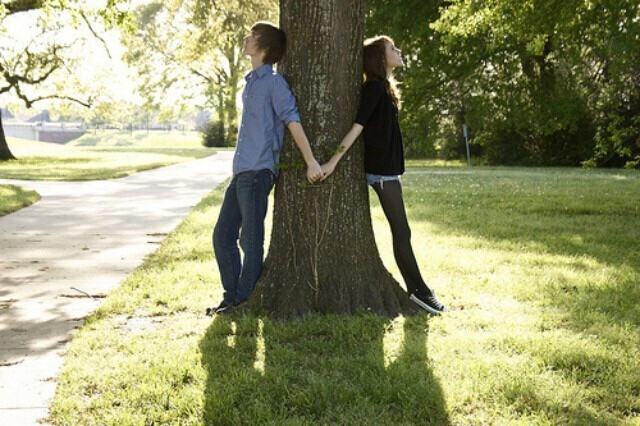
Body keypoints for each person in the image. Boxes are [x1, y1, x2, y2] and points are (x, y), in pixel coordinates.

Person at [320, 35, 447, 314]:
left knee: (402, 231)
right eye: (392, 48)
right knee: (402, 231)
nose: (398, 51)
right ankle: (420, 293)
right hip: (381, 174)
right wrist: (332, 161)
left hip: (388, 172)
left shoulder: (384, 88)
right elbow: (357, 126)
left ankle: (419, 290)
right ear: (379, 58)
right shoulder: (374, 88)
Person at [207, 21, 323, 315]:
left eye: (253, 36)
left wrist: (311, 161)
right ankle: (232, 296)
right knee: (222, 235)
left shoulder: (274, 83)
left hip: (259, 172)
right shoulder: (251, 84)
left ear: (265, 47)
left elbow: (292, 120)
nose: (246, 38)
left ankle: (243, 301)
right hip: (241, 172)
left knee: (250, 238)